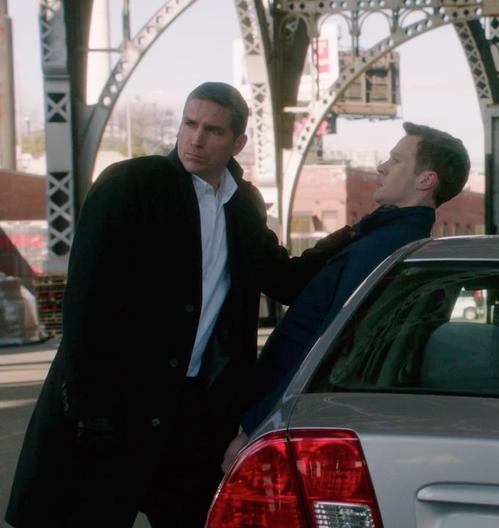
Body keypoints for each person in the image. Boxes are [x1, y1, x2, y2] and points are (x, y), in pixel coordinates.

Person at [5, 82, 354, 527]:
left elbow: (285, 279)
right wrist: (89, 408)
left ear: (238, 143)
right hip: (117, 402)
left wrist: (351, 237)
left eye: (213, 131)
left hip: (191, 412)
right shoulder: (131, 185)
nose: (195, 139)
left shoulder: (242, 205)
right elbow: (86, 301)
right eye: (190, 124)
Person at [222, 122, 470, 468]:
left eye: (396, 160)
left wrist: (257, 426)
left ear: (426, 180)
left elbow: (330, 347)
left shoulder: (384, 250)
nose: (382, 167)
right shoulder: (390, 241)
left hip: (279, 422)